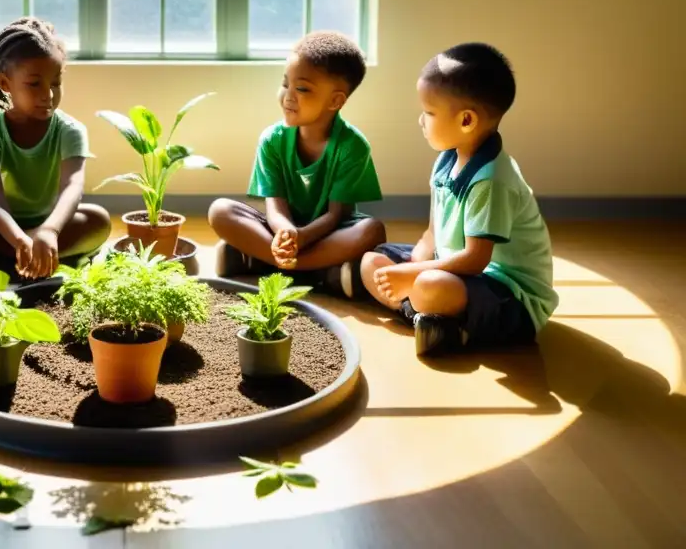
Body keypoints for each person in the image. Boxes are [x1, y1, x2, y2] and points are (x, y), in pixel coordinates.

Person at [358, 43, 558, 356]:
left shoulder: (492, 180)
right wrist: (413, 264)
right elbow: (432, 233)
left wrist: (413, 276)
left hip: (508, 295)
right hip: (456, 271)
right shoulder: (446, 160)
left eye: (429, 112)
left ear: (466, 121)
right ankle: (434, 321)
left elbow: (475, 260)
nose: (421, 121)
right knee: (373, 261)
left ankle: (429, 316)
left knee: (428, 285)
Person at [208, 30, 386, 291]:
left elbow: (337, 215)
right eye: (285, 84)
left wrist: (303, 237)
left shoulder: (353, 146)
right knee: (221, 210)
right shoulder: (272, 139)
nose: (288, 95)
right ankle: (322, 273)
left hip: (327, 232)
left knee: (372, 231)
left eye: (302, 88)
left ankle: (264, 262)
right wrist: (287, 233)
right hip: (280, 229)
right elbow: (275, 206)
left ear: (335, 101)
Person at [0, 17, 111, 285]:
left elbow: (73, 186)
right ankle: (54, 261)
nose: (48, 94)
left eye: (55, 83)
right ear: (5, 84)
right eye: (35, 84)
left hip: (55, 223)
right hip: (5, 227)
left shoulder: (71, 130)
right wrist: (20, 238)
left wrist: (50, 229)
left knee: (98, 220)